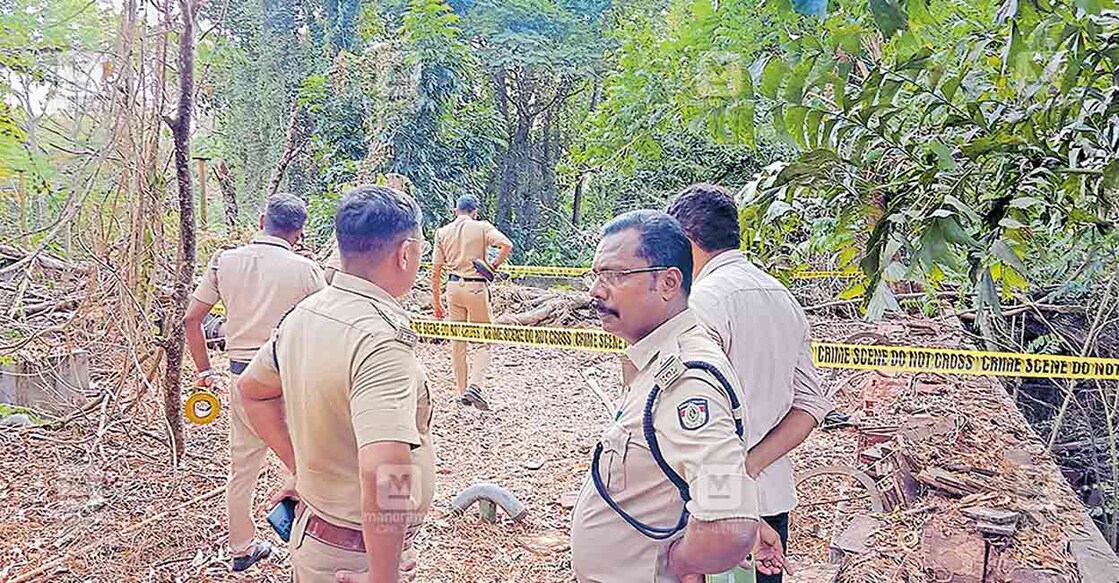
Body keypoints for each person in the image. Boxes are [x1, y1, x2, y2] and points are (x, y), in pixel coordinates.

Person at [237, 185, 434, 583]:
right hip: (357, 553)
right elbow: (386, 471)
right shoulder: (380, 340)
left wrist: (300, 467)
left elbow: (251, 391)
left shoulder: (303, 315)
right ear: (406, 253)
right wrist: (384, 576)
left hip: (318, 538)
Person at [571, 210, 771, 582]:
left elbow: (729, 522)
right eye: (596, 275)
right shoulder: (657, 361)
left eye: (615, 275)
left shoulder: (686, 380)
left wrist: (682, 563)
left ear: (667, 283)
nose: (596, 291)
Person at [668, 183, 832, 581]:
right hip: (769, 498)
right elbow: (810, 407)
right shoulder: (782, 297)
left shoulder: (700, 302)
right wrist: (752, 466)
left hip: (709, 506)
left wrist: (733, 475)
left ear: (687, 240)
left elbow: (687, 413)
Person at [183, 194, 326, 572]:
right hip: (288, 382)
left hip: (240, 380)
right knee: (306, 466)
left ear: (261, 220)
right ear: (299, 233)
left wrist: (204, 372)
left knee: (241, 471)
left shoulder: (225, 262)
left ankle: (241, 549)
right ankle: (308, 552)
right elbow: (326, 326)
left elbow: (191, 319)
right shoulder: (306, 271)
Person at [430, 195, 513, 410]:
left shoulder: (442, 233)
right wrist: (491, 267)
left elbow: (435, 271)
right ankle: (475, 386)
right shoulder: (482, 227)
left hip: (452, 288)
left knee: (458, 342)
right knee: (484, 340)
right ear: (475, 211)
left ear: (456, 211)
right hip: (476, 287)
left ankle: (462, 392)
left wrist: (436, 303)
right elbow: (506, 244)